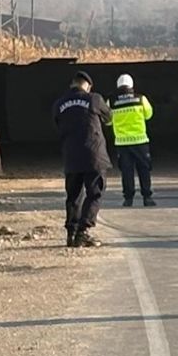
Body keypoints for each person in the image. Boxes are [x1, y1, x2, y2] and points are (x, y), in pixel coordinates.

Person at [53, 71, 112, 248]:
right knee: (95, 193)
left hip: (71, 155)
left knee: (73, 195)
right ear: (87, 85)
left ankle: (71, 233)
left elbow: (57, 123)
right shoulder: (94, 99)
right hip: (94, 155)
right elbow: (109, 118)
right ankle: (83, 231)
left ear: (73, 84)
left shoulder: (59, 103)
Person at [107, 73, 156, 207]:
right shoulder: (140, 99)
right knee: (144, 170)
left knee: (127, 172)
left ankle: (128, 199)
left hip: (122, 143)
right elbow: (149, 115)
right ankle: (147, 197)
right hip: (140, 141)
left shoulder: (111, 101)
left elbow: (108, 122)